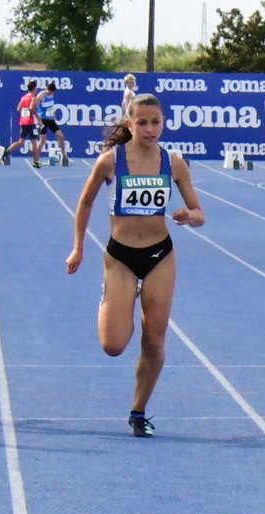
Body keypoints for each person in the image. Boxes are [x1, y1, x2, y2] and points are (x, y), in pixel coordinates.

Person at [66, 93, 205, 437]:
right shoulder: (110, 162)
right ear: (129, 124)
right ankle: (116, 301)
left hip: (160, 255)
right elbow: (85, 203)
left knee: (154, 342)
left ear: (163, 123)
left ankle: (138, 411)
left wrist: (189, 216)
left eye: (155, 122)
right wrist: (78, 248)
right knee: (113, 345)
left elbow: (199, 213)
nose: (149, 129)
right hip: (121, 257)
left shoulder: (174, 163)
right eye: (141, 122)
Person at [9, 80, 42, 165]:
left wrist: (25, 114)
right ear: (34, 88)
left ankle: (6, 152)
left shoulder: (24, 97)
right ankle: (35, 162)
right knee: (34, 142)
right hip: (31, 122)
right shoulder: (33, 98)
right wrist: (37, 116)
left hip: (23, 121)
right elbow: (31, 108)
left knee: (21, 142)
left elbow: (18, 109)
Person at [35, 81, 69, 165]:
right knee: (42, 140)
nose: (50, 94)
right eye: (50, 92)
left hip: (50, 119)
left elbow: (50, 106)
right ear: (47, 89)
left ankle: (64, 156)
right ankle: (36, 160)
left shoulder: (52, 94)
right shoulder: (40, 96)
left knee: (60, 136)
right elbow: (34, 107)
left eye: (52, 92)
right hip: (43, 120)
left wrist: (52, 113)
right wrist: (38, 120)